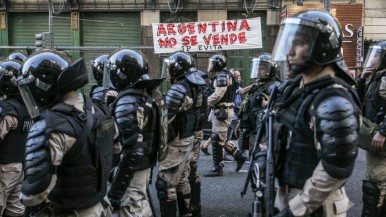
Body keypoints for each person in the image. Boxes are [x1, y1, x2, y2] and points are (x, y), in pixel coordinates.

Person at [270, 10, 360, 217]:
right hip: (289, 193)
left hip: (317, 205)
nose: (290, 51)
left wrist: (295, 210)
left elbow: (335, 167)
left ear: (321, 47)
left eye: (299, 43)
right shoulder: (297, 88)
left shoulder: (333, 100)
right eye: (289, 42)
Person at [16, 49, 115, 216]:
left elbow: (33, 195)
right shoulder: (99, 110)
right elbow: (116, 148)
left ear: (44, 86)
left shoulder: (50, 126)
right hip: (102, 206)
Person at [106, 49, 166, 217]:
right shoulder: (147, 93)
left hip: (131, 172)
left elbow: (131, 151)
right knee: (140, 205)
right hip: (143, 166)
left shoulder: (128, 101)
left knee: (131, 208)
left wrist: (115, 193)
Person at [156, 51, 206, 216]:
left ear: (177, 68)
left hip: (176, 142)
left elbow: (164, 118)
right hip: (188, 138)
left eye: (170, 68)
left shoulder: (178, 88)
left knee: (166, 184)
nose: (168, 71)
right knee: (183, 180)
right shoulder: (195, 84)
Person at [356, 40, 386, 217]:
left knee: (376, 185)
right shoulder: (377, 77)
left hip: (381, 140)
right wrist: (361, 80)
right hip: (374, 142)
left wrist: (383, 131)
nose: (373, 58)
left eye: (376, 54)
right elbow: (357, 102)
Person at [204, 54, 246, 177]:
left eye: (212, 62)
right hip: (220, 110)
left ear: (218, 64)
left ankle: (217, 168)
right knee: (220, 137)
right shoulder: (223, 75)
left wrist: (205, 102)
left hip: (223, 110)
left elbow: (218, 95)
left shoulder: (222, 76)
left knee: (217, 139)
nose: (210, 65)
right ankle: (239, 157)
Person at [0, 60, 32, 217]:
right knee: (15, 210)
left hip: (5, 168)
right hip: (22, 166)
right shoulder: (30, 106)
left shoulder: (7, 108)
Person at [238, 54, 281, 157]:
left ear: (270, 70)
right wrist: (240, 122)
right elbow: (248, 105)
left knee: (260, 157)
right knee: (253, 156)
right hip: (253, 127)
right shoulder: (257, 85)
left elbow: (278, 107)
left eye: (262, 68)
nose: (258, 70)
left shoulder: (273, 86)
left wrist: (267, 103)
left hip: (263, 130)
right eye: (257, 67)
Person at [189, 70, 208, 217]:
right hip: (195, 132)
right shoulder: (201, 92)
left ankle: (195, 206)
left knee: (192, 170)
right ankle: (194, 206)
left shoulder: (199, 93)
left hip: (194, 133)